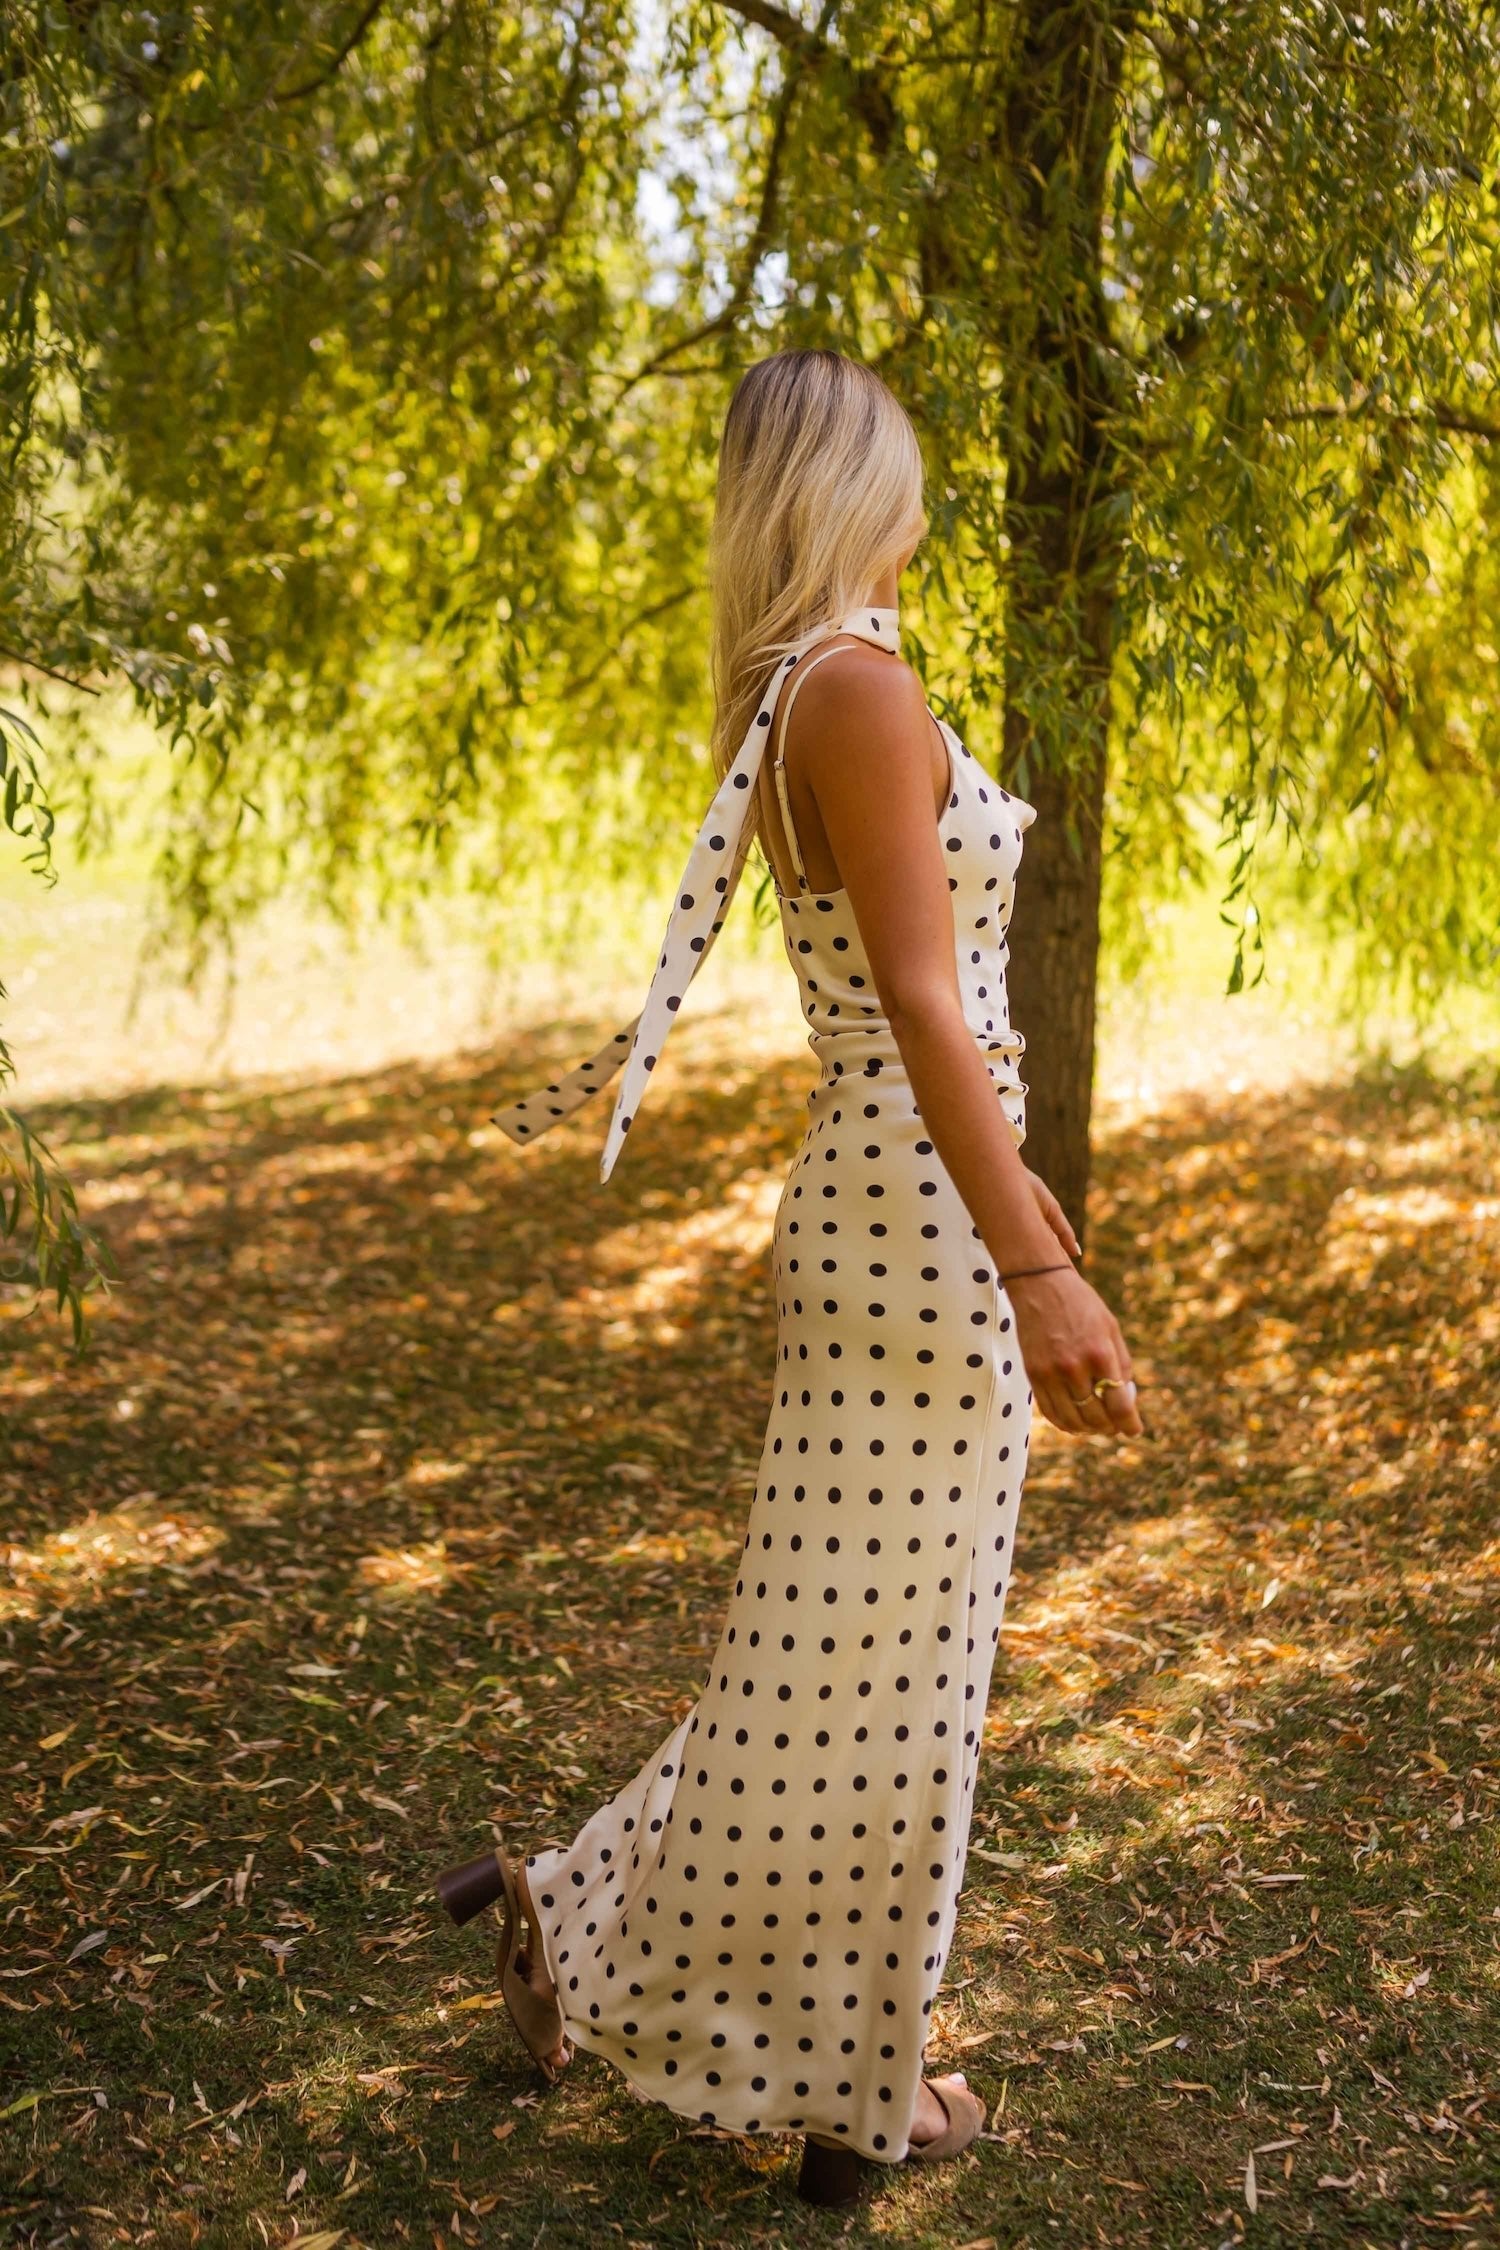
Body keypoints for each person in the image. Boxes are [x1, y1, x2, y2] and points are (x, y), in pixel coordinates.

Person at [437, 346, 1142, 2207]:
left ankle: (576, 1911)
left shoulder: (795, 690)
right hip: (918, 1219)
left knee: (830, 1651)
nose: (924, 505)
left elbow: (937, 1007)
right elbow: (924, 998)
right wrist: (1036, 1265)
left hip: (892, 1196)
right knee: (890, 1672)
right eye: (902, 472)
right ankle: (857, 2088)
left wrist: (1026, 1211)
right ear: (851, 488)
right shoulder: (856, 685)